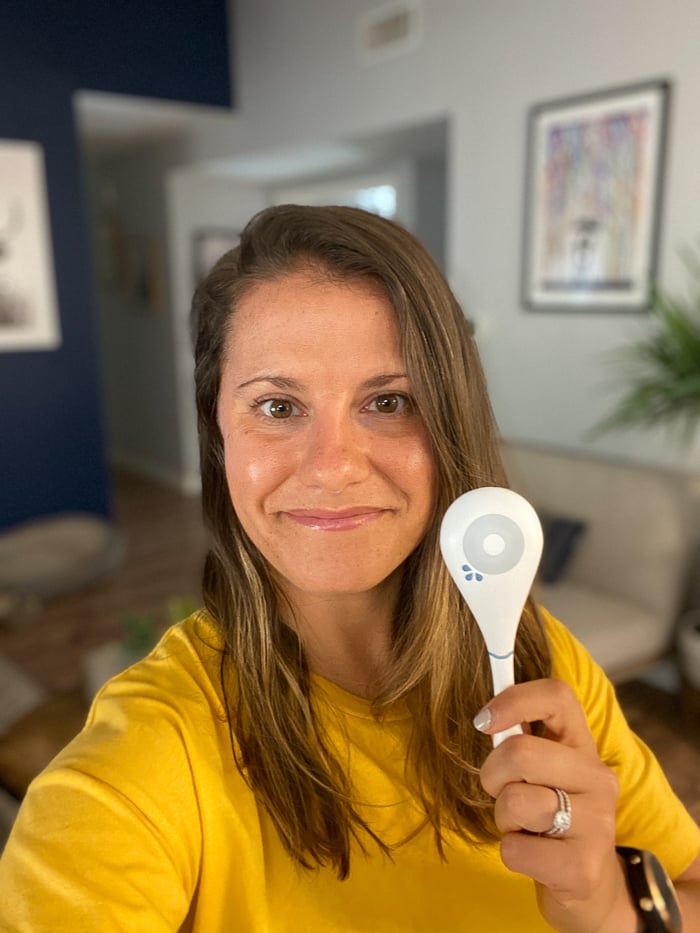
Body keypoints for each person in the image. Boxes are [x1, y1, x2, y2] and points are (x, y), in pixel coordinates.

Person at [0, 204, 698, 932]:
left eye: (389, 401)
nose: (332, 467)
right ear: (218, 434)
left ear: (450, 421)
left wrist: (609, 907)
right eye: (277, 405)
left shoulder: (543, 669)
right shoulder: (142, 759)